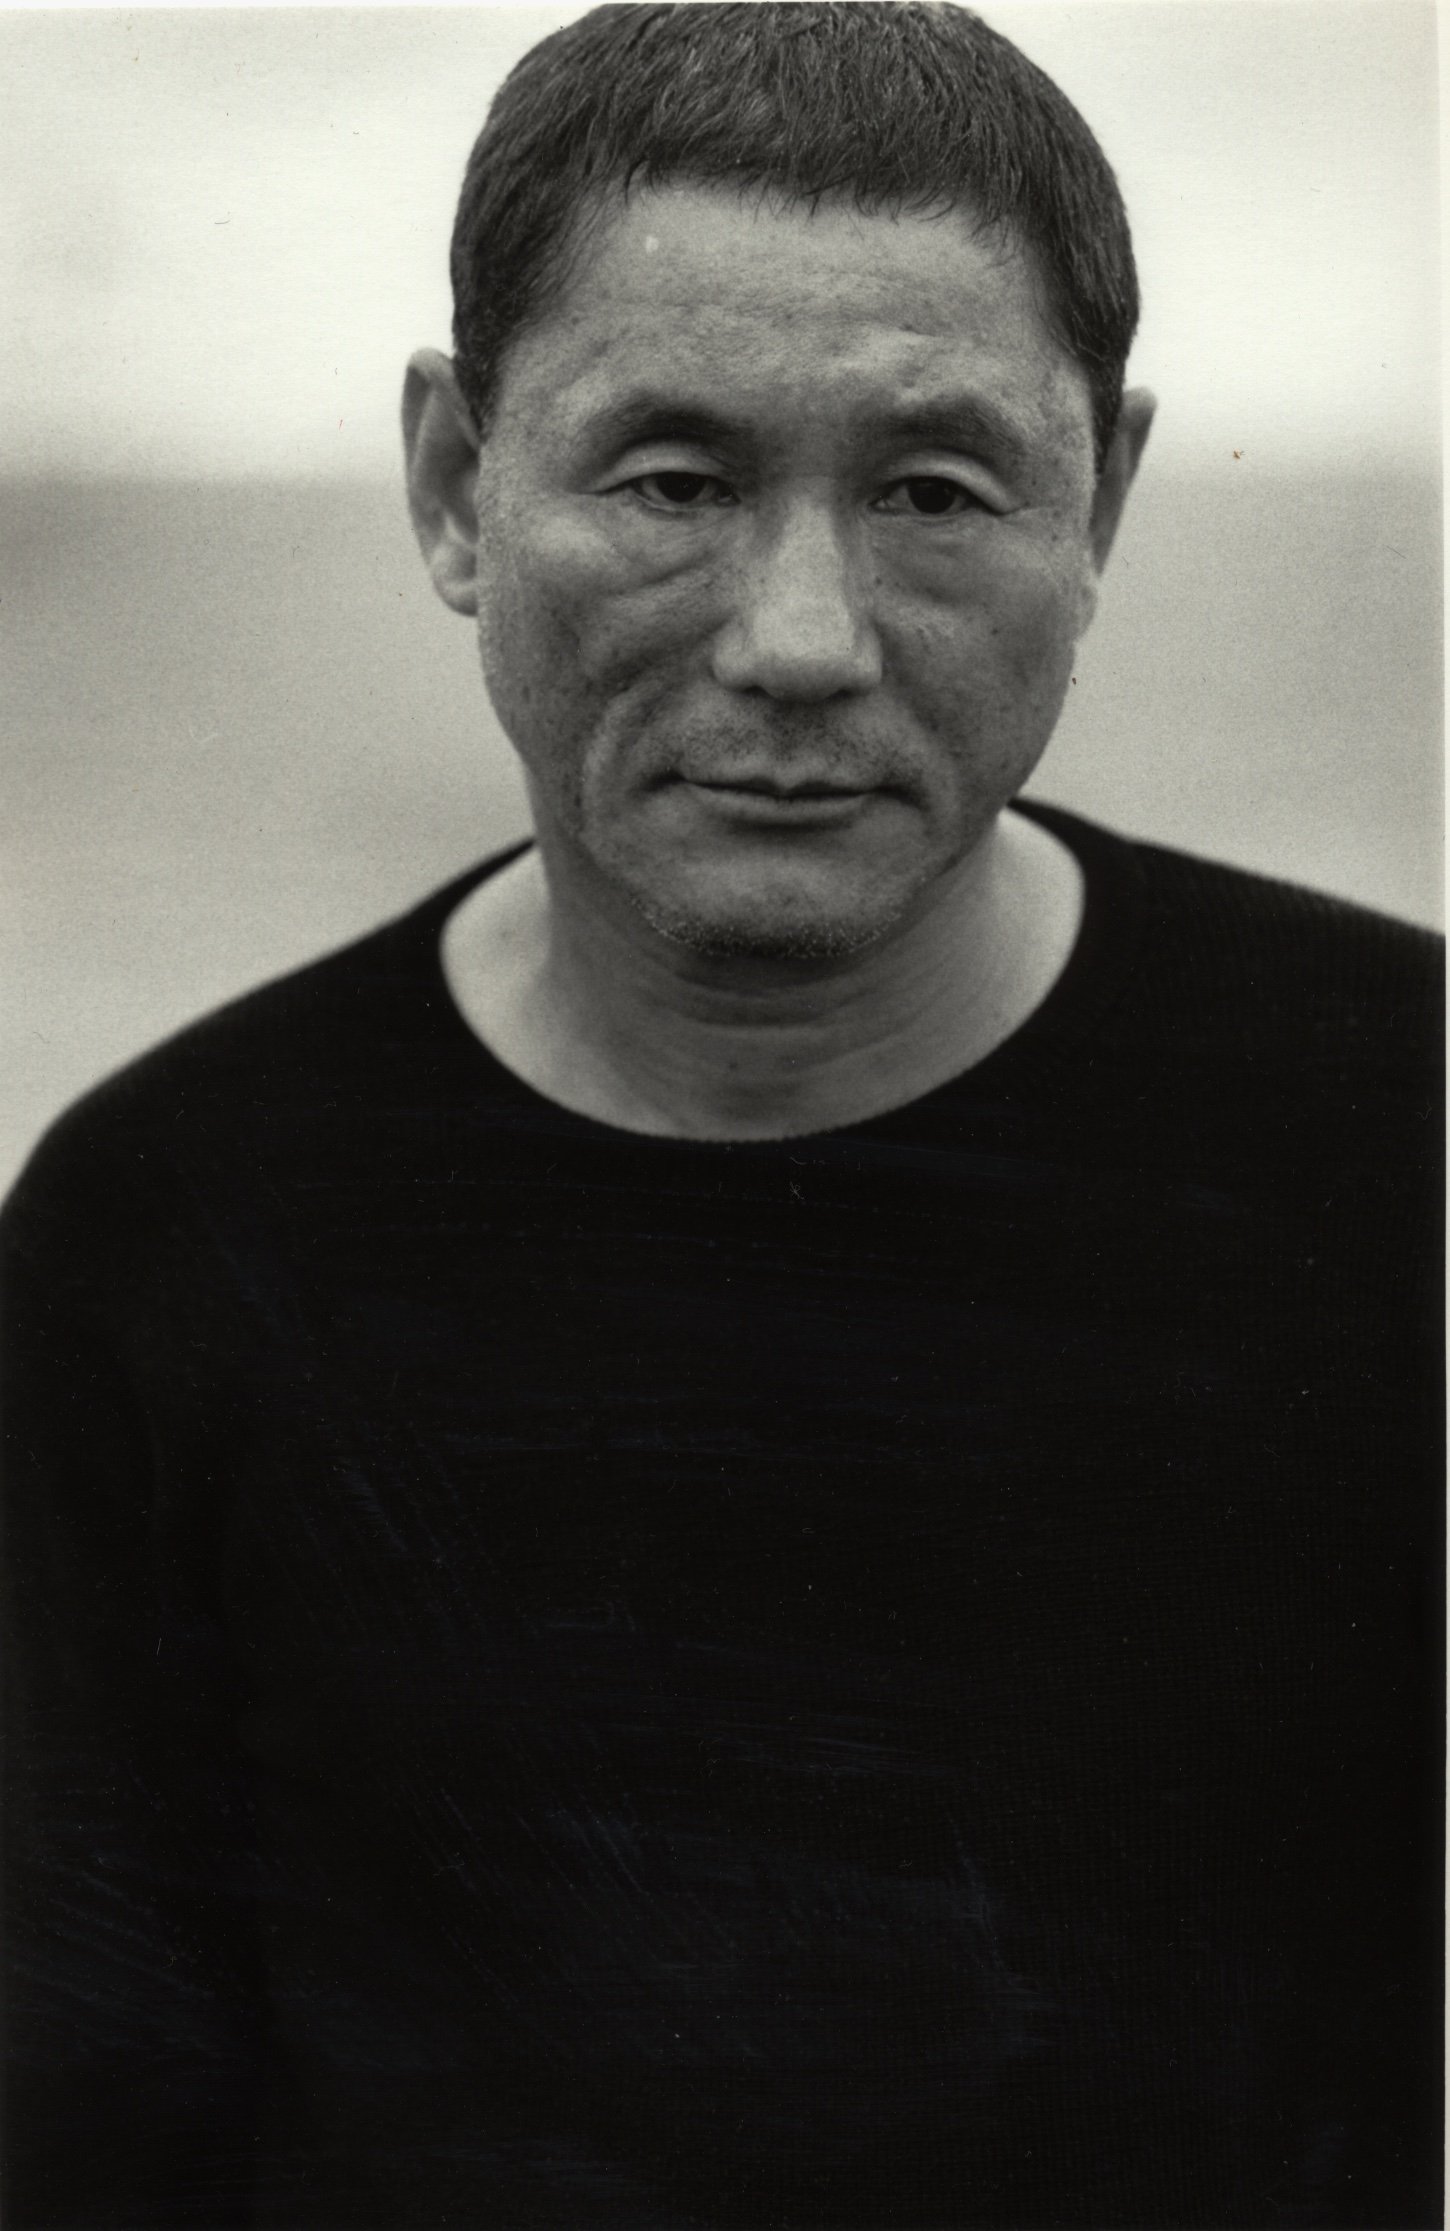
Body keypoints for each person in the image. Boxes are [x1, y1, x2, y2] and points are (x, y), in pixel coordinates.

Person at [1, 5, 1440, 2226]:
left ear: (1101, 506)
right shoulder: (160, 1239)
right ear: (454, 486)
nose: (798, 639)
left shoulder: (1404, 1143)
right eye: (672, 480)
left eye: (932, 491)